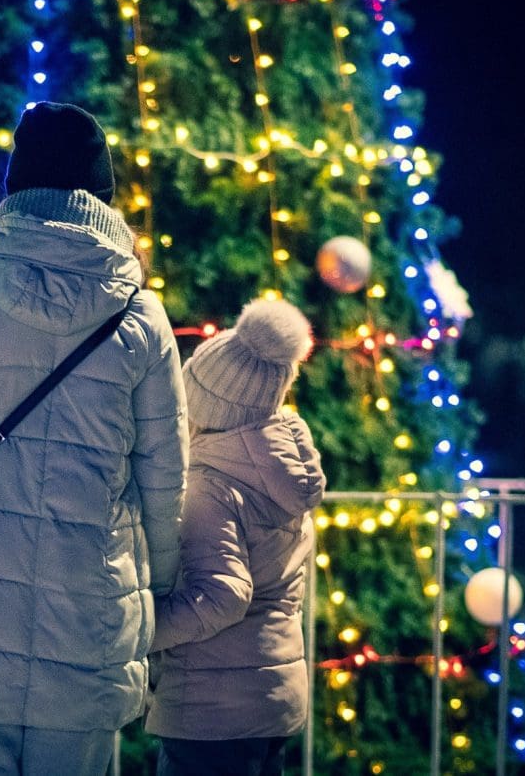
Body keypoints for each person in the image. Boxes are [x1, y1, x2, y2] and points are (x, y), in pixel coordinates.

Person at [0, 101, 188, 775]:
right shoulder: (140, 314)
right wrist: (159, 583)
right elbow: (165, 471)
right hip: (90, 607)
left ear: (17, 187)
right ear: (102, 197)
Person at [144, 298, 326, 776]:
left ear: (204, 402)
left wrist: (140, 629)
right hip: (272, 698)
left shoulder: (213, 484)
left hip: (214, 708)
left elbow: (223, 594)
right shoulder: (280, 469)